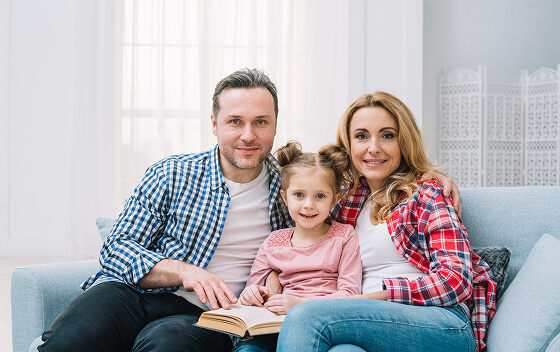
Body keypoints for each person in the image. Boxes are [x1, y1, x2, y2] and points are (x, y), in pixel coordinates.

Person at [38, 68, 461, 352]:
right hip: (135, 292)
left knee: (165, 344)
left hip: (209, 314)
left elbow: (347, 179)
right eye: (235, 121)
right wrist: (185, 271)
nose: (248, 135)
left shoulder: (293, 188)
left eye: (261, 122)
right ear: (214, 123)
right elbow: (115, 250)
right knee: (74, 336)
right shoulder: (172, 173)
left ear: (276, 125)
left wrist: (432, 178)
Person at [276, 92, 497, 352]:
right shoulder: (347, 203)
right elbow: (302, 240)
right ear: (348, 145)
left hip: (441, 323)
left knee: (306, 316)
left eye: (387, 135)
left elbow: (455, 281)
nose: (373, 148)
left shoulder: (426, 194)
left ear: (404, 141)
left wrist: (372, 298)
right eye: (361, 136)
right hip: (366, 321)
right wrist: (270, 275)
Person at [235, 141, 362, 351]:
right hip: (275, 326)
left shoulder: (343, 236)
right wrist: (253, 294)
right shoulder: (273, 242)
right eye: (299, 195)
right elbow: (252, 289)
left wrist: (300, 304)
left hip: (326, 323)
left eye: (320, 196)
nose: (308, 204)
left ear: (334, 200)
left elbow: (350, 293)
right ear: (285, 197)